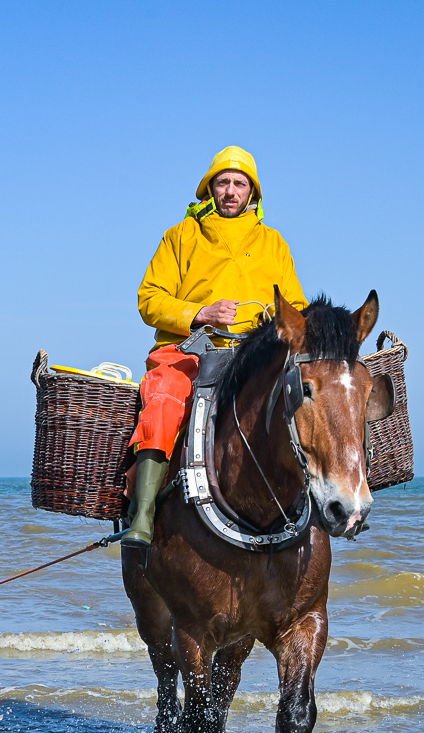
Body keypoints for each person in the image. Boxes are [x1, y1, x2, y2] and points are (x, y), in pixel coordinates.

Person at [123, 146, 307, 550]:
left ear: (252, 194)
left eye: (240, 183)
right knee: (163, 401)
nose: (230, 190)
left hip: (256, 354)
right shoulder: (179, 237)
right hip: (188, 350)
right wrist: (201, 311)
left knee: (311, 399)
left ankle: (326, 503)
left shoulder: (274, 242)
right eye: (222, 182)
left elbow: (298, 307)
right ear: (208, 189)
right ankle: (143, 515)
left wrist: (277, 322)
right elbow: (148, 299)